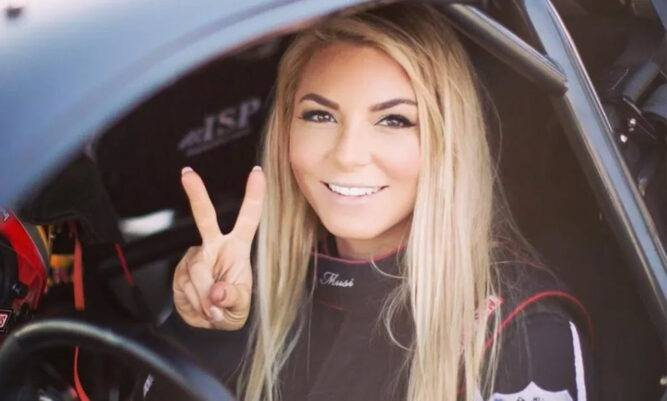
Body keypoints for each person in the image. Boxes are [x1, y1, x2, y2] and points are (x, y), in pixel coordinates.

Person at [141, 3, 593, 401]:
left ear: (448, 139)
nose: (347, 154)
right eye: (320, 115)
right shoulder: (249, 288)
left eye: (394, 120)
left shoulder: (523, 330)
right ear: (284, 133)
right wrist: (204, 330)